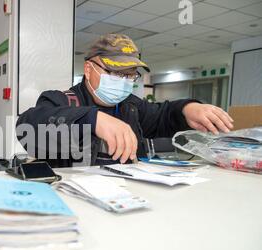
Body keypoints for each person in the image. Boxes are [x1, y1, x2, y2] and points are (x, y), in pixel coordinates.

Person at [16, 34, 234, 167]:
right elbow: (29, 125)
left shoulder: (131, 106)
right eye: (115, 72)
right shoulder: (61, 100)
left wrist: (188, 108)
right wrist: (92, 119)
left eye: (130, 74)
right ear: (88, 69)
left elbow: (162, 115)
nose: (124, 81)